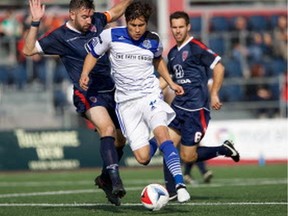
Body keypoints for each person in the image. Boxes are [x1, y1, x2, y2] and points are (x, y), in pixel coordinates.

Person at [22, 0, 133, 206]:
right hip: (87, 92)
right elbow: (28, 50)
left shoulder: (96, 21)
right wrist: (36, 22)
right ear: (72, 15)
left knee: (120, 141)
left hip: (111, 89)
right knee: (107, 129)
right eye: (84, 16)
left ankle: (104, 178)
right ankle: (116, 181)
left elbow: (116, 11)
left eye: (90, 15)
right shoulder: (60, 36)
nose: (89, 20)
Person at [79, 1, 190, 203]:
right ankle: (162, 141)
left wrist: (171, 82)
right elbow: (92, 54)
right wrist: (85, 73)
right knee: (143, 158)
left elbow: (158, 61)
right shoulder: (110, 35)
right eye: (133, 25)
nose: (137, 30)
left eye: (141, 25)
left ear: (146, 23)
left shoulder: (154, 40)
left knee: (162, 132)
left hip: (150, 95)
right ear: (126, 21)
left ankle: (180, 184)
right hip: (126, 103)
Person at [161, 11, 240, 199]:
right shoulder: (172, 53)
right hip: (178, 107)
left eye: (181, 27)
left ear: (188, 27)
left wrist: (214, 94)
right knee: (166, 145)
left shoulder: (197, 47)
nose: (177, 31)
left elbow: (219, 67)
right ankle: (171, 191)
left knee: (188, 157)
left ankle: (223, 149)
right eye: (174, 27)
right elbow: (168, 79)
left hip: (196, 110)